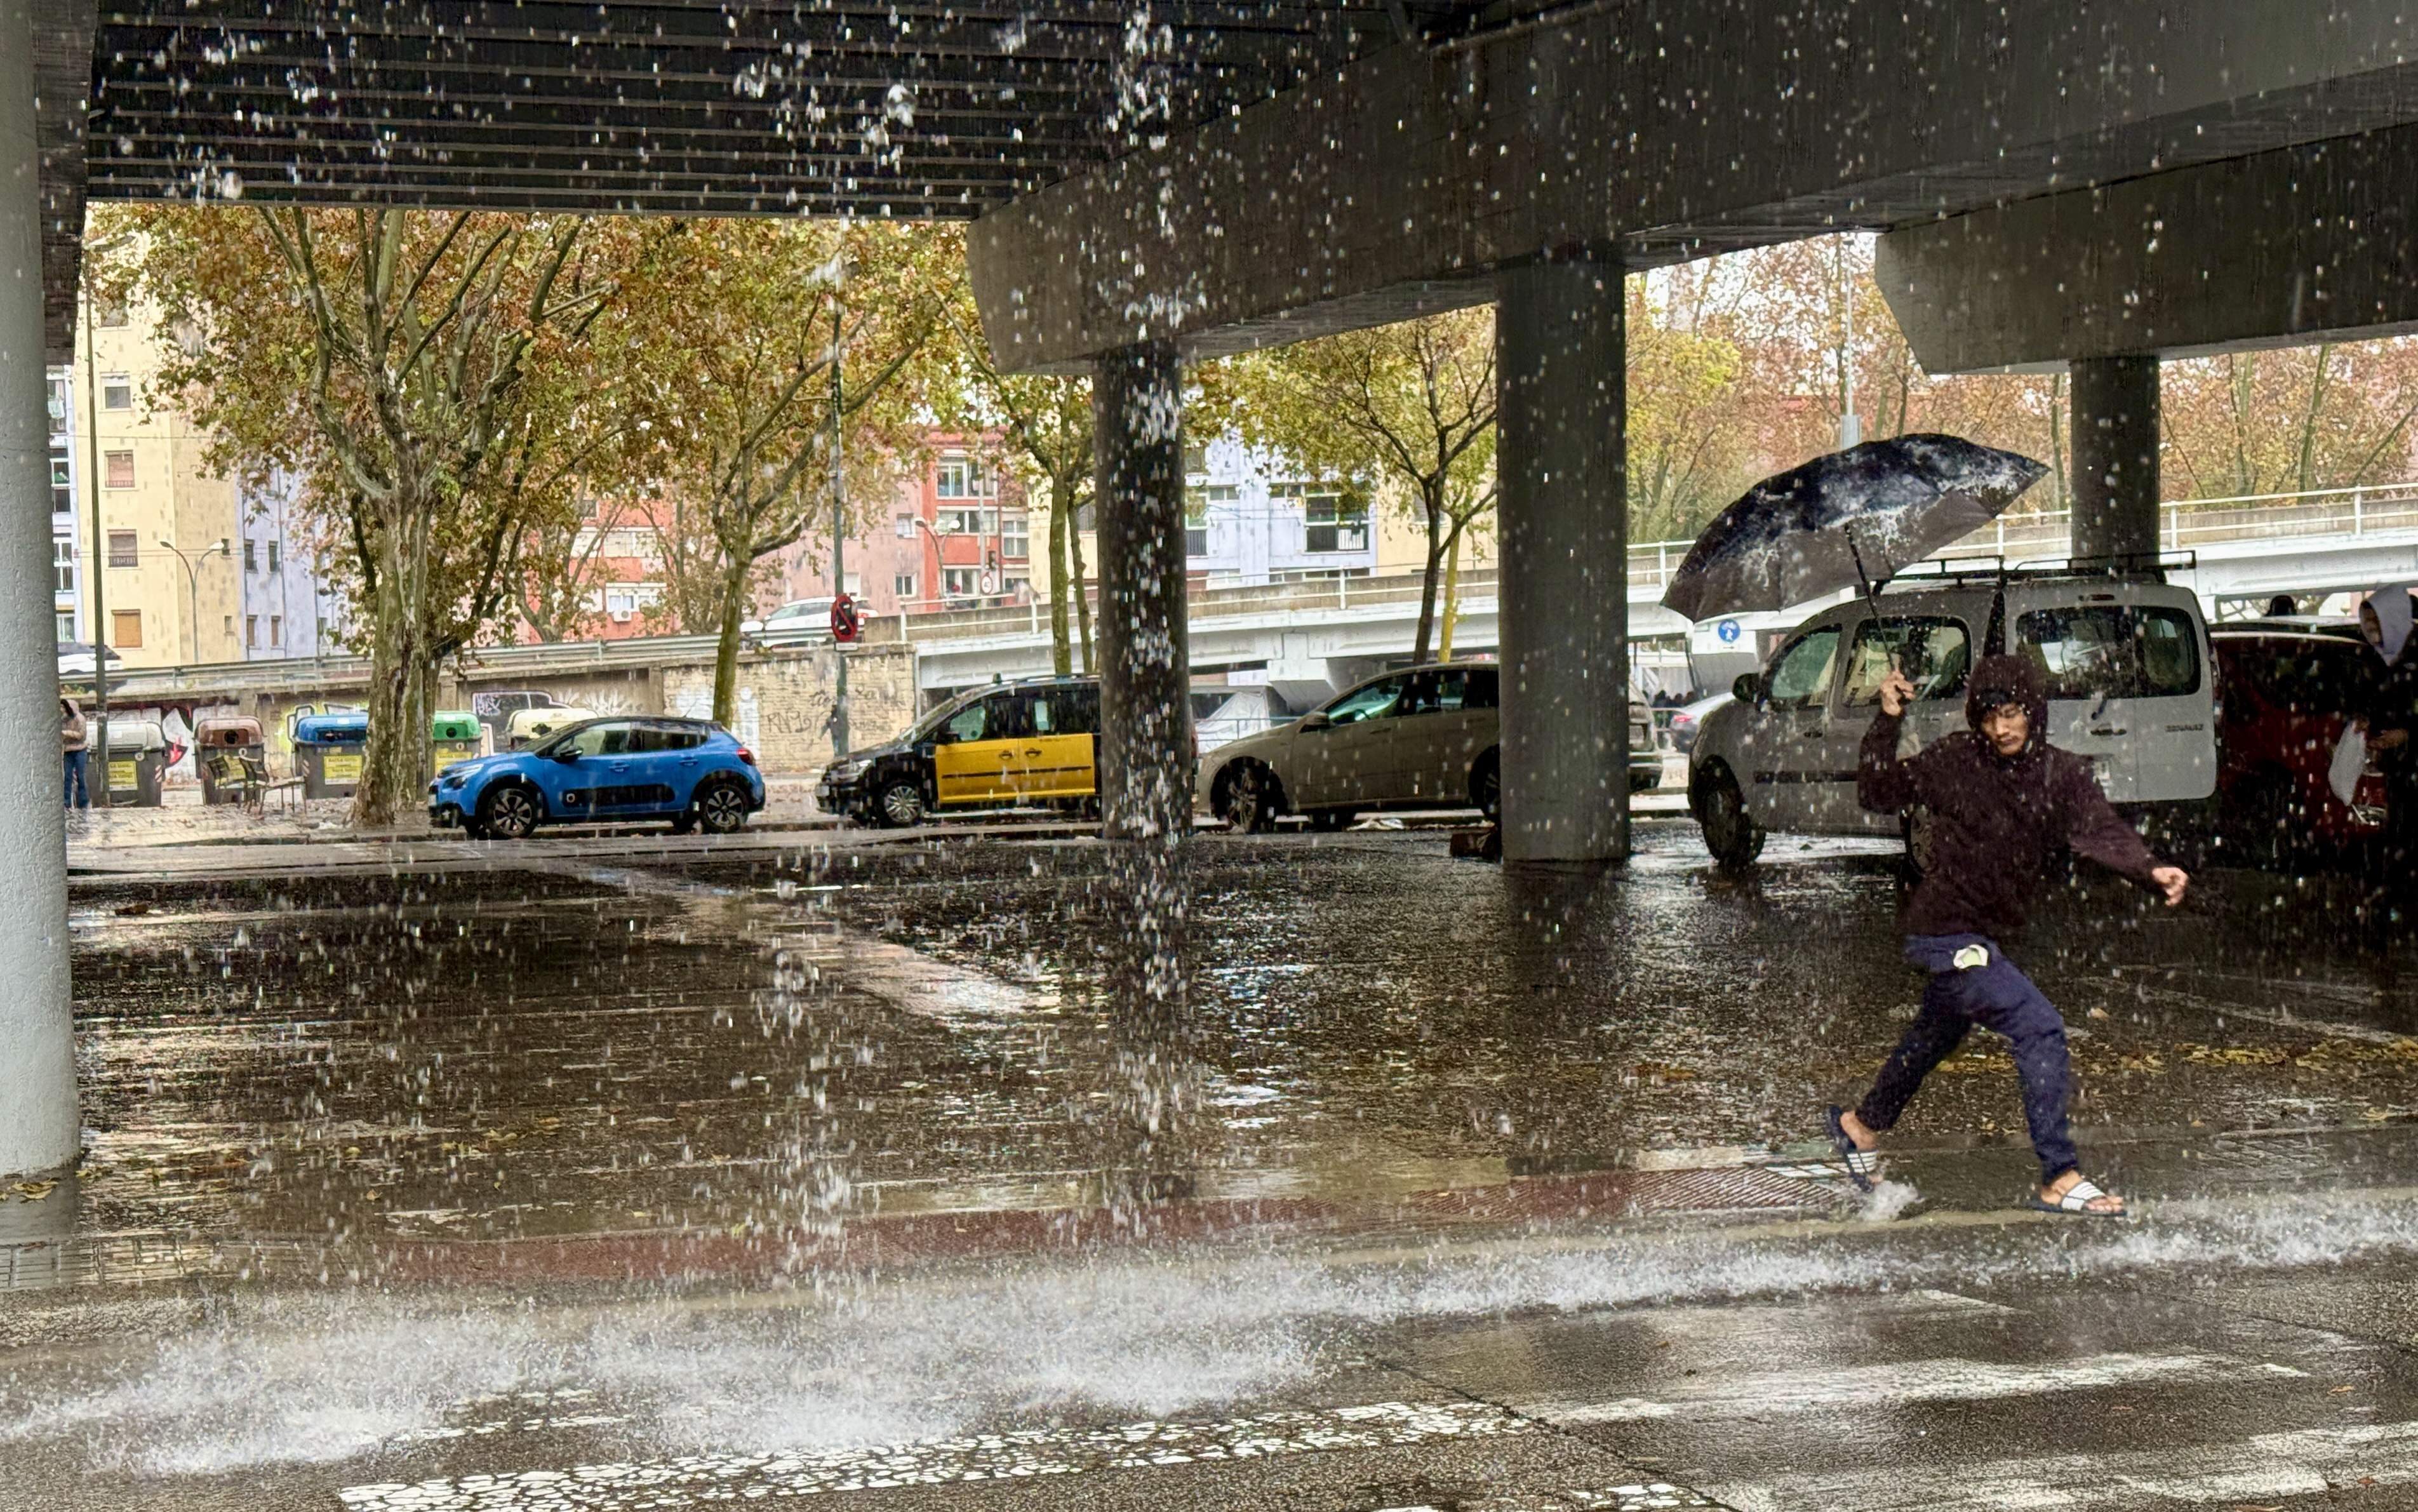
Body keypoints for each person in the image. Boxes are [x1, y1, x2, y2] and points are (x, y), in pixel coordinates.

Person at [1823, 653, 2189, 1218]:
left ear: (2034, 711)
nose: (2001, 729)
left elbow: (2102, 830)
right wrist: (1888, 719)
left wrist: (2149, 868)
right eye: (1990, 716)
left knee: (1935, 1034)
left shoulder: (2062, 774)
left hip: (1985, 937)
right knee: (2039, 1026)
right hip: (1944, 932)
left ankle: (1861, 1126)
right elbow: (1877, 791)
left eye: (2013, 713)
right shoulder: (1954, 759)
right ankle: (2060, 1175)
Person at [2356, 584, 2418, 889]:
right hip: (2401, 769)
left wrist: (2407, 734)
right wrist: (2368, 723)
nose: (2370, 630)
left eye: (2376, 621)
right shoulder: (2383, 659)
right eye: (2367, 622)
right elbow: (2384, 703)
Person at [60, 698, 89, 810]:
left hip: (80, 750)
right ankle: (66, 802)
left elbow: (82, 735)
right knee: (67, 777)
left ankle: (83, 802)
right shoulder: (63, 720)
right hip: (68, 750)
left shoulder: (80, 718)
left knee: (80, 776)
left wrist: (67, 733)